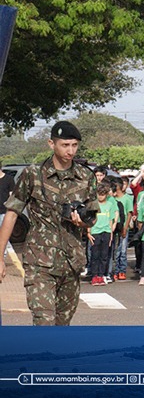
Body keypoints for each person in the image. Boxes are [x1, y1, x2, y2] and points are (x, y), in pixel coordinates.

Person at [0, 121, 99, 325]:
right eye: (65, 145)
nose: (70, 150)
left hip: (71, 262)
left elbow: (92, 216)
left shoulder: (86, 177)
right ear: (51, 144)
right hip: (39, 262)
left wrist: (82, 223)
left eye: (74, 145)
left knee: (62, 324)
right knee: (43, 320)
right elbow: (11, 213)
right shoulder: (33, 174)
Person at [88, 182, 117, 286]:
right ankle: (94, 276)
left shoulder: (110, 205)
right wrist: (88, 232)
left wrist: (111, 234)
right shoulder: (93, 204)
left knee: (104, 255)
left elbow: (111, 220)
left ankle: (101, 275)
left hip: (106, 232)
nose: (100, 196)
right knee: (95, 255)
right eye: (99, 194)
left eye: (103, 194)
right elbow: (89, 219)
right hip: (95, 231)